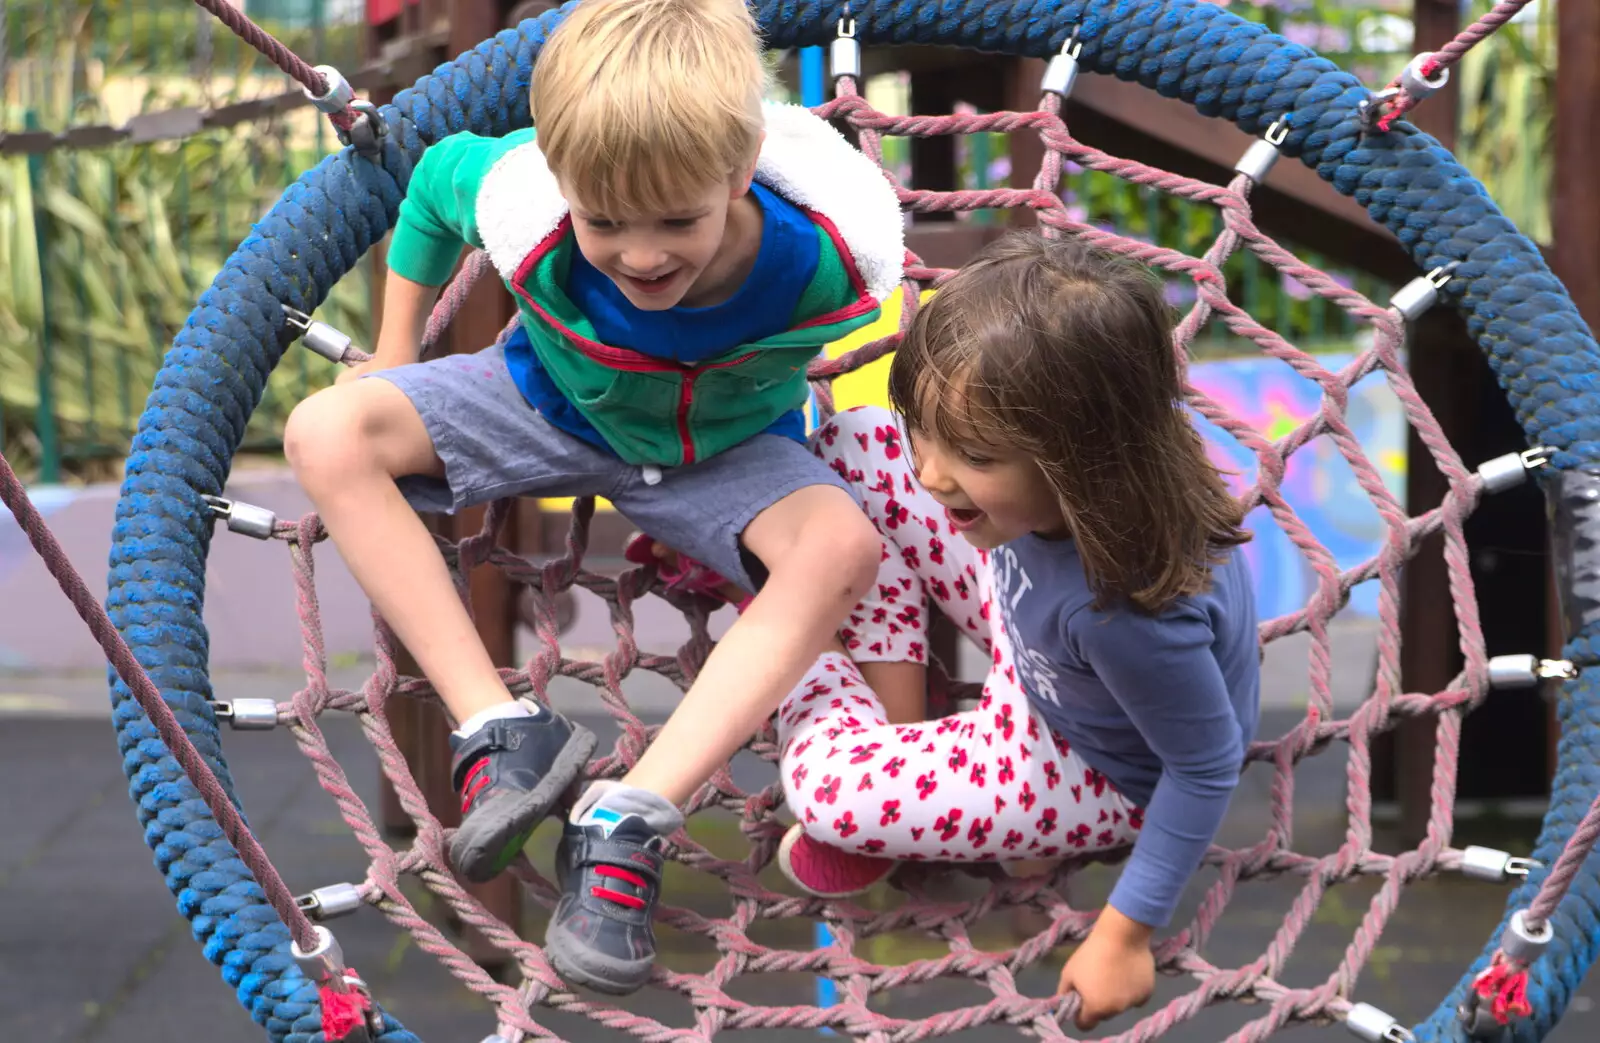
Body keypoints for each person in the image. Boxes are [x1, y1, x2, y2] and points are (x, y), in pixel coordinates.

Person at [281, 0, 904, 995]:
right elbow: (433, 191)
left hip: (727, 450)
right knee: (326, 429)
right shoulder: (526, 201)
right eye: (604, 220)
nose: (642, 254)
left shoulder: (825, 251)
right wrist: (395, 356)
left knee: (841, 546)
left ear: (742, 166)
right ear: (561, 182)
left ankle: (628, 817)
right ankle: (497, 725)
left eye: (678, 221)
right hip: (545, 404)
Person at [647, 232, 1261, 1029]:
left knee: (829, 794)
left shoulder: (1124, 611)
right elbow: (923, 459)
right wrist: (950, 458)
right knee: (856, 444)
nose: (932, 473)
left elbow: (1205, 766)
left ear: (1083, 462)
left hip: (1078, 759)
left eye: (971, 453)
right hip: (1037, 628)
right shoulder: (1072, 479)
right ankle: (901, 731)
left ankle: (794, 632)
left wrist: (1125, 932)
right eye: (927, 430)